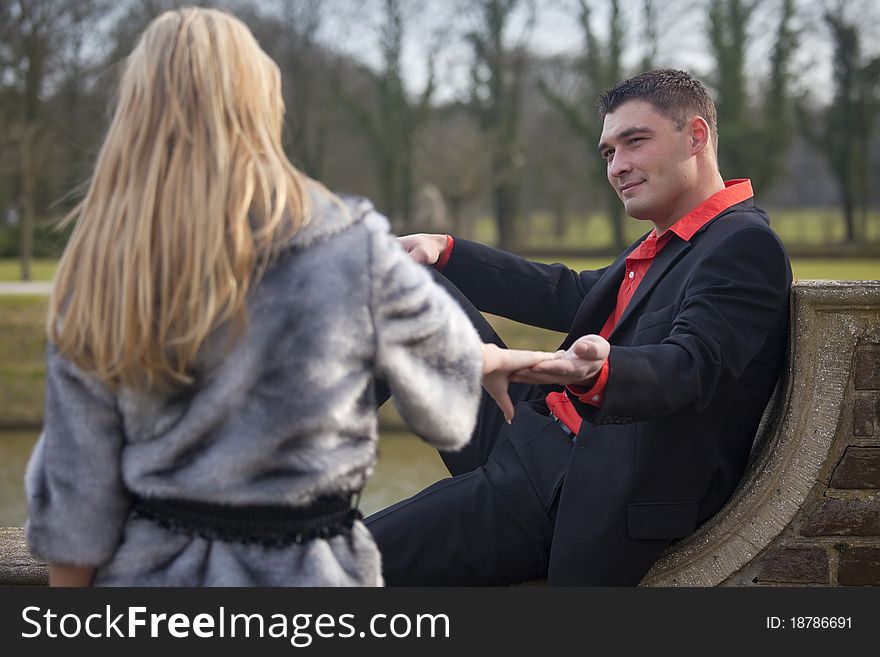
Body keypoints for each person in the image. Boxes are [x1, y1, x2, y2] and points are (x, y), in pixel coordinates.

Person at [24, 7, 554, 587]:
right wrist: (492, 361)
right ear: (261, 105)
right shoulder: (340, 240)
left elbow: (75, 498)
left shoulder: (97, 275)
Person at [366, 69, 793, 586]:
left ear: (696, 136)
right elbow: (568, 292)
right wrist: (445, 251)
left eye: (634, 142)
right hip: (525, 429)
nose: (618, 166)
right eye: (609, 152)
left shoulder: (741, 246)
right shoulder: (669, 241)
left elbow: (692, 363)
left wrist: (600, 373)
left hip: (570, 484)